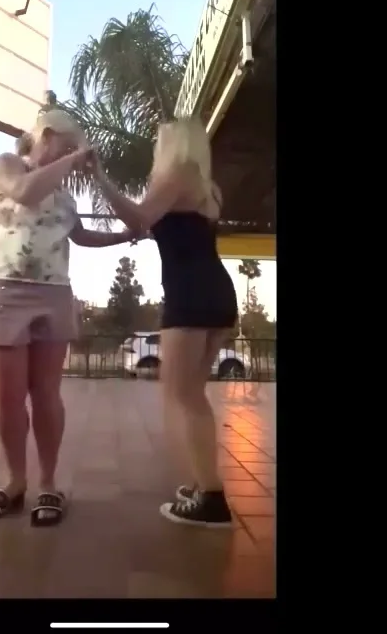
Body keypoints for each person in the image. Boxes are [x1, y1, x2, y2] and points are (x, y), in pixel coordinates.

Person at [0, 109, 140, 527]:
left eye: (75, 150)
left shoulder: (64, 196)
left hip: (54, 293)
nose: (73, 157)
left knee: (46, 393)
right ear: (46, 136)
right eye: (67, 146)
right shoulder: (8, 165)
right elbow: (25, 192)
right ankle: (14, 481)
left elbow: (79, 236)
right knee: (8, 397)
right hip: (4, 290)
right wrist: (75, 157)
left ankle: (48, 483)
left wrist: (123, 236)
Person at [89, 119, 239, 527]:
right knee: (191, 395)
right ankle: (201, 485)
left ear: (172, 144)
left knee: (182, 397)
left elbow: (139, 219)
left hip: (190, 295)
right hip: (214, 292)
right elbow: (161, 230)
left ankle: (211, 499)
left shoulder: (178, 173)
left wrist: (100, 177)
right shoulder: (205, 187)